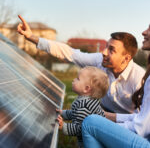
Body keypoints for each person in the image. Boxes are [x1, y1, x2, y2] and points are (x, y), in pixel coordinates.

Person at [17, 15, 145, 114]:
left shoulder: (140, 79)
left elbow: (142, 120)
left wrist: (105, 117)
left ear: (126, 58)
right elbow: (69, 53)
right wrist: (32, 37)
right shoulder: (100, 60)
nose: (104, 52)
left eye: (111, 50)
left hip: (127, 123)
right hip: (103, 111)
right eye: (106, 47)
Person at [81, 25, 150, 148]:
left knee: (90, 123)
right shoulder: (101, 63)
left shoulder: (139, 77)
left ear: (126, 58)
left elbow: (140, 130)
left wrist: (105, 128)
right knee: (95, 121)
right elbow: (142, 119)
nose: (144, 32)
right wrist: (105, 116)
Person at [56, 66, 109, 148]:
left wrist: (64, 126)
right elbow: (75, 113)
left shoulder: (85, 106)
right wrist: (63, 113)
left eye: (78, 79)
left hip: (92, 143)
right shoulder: (85, 100)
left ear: (86, 89)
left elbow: (80, 128)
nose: (74, 80)